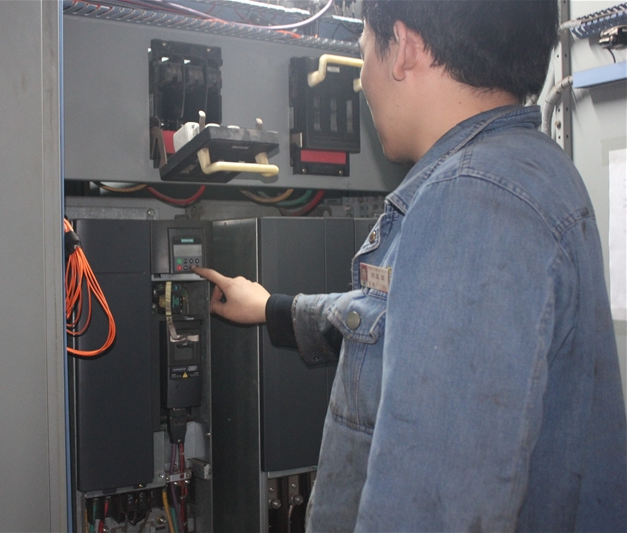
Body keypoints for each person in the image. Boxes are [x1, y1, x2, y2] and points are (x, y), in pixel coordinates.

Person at [193, 0, 627, 531]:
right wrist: (272, 309)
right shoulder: (530, 170)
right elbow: (391, 319)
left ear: (404, 48)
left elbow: (432, 507)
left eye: (363, 52)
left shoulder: (472, 198)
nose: (362, 82)